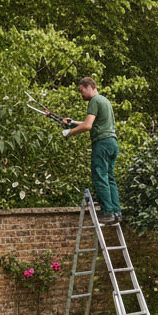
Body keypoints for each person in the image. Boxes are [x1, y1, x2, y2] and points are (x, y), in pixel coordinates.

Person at [62, 77, 121, 225]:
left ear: (89, 87)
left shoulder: (94, 101)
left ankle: (107, 212)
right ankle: (116, 212)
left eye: (82, 91)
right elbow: (92, 123)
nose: (81, 95)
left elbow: (88, 126)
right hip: (112, 143)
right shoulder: (104, 101)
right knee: (109, 178)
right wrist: (72, 123)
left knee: (100, 176)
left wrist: (69, 133)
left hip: (101, 143)